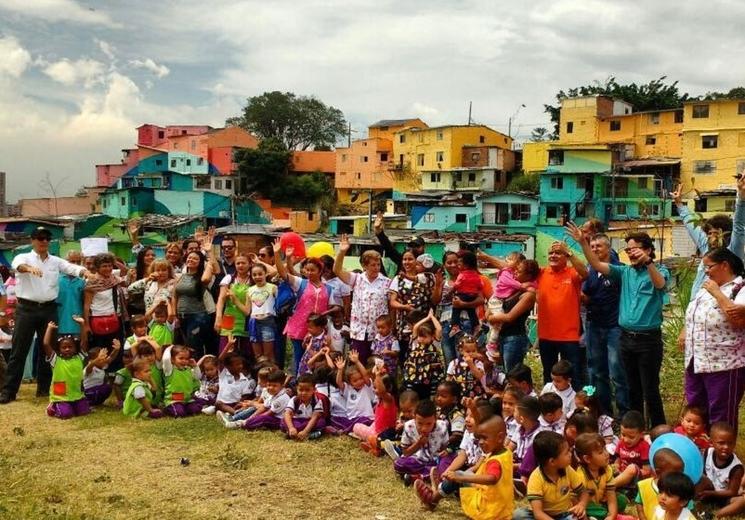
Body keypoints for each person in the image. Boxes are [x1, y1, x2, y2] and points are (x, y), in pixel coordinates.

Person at [568, 223, 670, 427]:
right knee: (633, 387)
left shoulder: (660, 270)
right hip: (626, 337)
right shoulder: (624, 272)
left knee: (649, 388)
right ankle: (635, 426)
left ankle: (659, 429)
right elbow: (596, 265)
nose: (631, 253)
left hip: (648, 340)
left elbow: (660, 284)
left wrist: (649, 263)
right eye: (628, 249)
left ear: (648, 249)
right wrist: (582, 243)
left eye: (635, 249)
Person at [1, 227, 90, 404]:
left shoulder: (55, 261)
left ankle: (44, 388)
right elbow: (17, 265)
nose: (44, 241)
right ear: (33, 240)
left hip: (49, 309)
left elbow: (71, 267)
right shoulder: (24, 257)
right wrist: (28, 269)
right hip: (27, 309)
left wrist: (85, 272)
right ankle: (9, 392)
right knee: (19, 350)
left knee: (48, 349)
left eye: (47, 239)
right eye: (40, 238)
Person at [680, 247, 745, 434]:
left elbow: (739, 320)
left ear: (724, 265)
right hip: (696, 361)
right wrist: (685, 330)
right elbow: (695, 315)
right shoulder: (706, 286)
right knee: (696, 412)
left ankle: (721, 459)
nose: (706, 271)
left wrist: (717, 292)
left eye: (709, 266)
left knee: (721, 413)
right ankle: (698, 452)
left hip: (724, 365)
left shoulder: (740, 288)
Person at [671, 178, 745, 297]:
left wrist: (741, 197)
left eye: (715, 233)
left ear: (725, 234)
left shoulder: (733, 252)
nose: (711, 237)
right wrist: (679, 204)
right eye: (709, 233)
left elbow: (739, 226)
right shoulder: (707, 249)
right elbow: (691, 226)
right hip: (696, 307)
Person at [582, 232, 629, 418]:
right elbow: (587, 297)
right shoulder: (590, 272)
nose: (594, 250)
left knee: (617, 371)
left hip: (614, 327)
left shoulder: (620, 270)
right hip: (594, 326)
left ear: (608, 248)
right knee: (596, 371)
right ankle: (603, 414)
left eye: (598, 246)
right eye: (591, 247)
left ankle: (624, 414)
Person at [274, 239, 338, 374]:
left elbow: (333, 307)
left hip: (319, 329)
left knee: (316, 358)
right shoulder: (300, 283)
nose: (309, 273)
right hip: (299, 327)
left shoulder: (329, 289)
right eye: (307, 270)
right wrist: (277, 255)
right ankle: (298, 383)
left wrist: (327, 315)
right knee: (299, 357)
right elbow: (283, 273)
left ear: (320, 271)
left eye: (312, 270)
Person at [534, 240, 588, 389]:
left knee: (573, 376)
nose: (553, 255)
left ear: (565, 256)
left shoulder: (572, 273)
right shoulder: (542, 273)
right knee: (549, 376)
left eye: (558, 253)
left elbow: (585, 273)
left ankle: (576, 408)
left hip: (569, 336)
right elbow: (518, 270)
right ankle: (550, 407)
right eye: (551, 253)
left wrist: (569, 253)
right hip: (546, 335)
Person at [334, 234, 391, 365]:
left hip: (378, 332)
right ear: (364, 266)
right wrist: (342, 251)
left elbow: (390, 305)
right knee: (357, 364)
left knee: (376, 365)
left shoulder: (387, 282)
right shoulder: (357, 279)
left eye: (378, 264)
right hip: (359, 331)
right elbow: (337, 270)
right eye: (372, 265)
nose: (376, 267)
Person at [513, 431, 589, 520]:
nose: (570, 454)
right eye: (566, 452)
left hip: (564, 514)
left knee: (578, 517)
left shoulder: (568, 470)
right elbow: (538, 513)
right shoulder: (536, 478)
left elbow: (584, 493)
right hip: (543, 516)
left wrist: (581, 505)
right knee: (519, 515)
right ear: (552, 461)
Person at [487, 259, 541, 372]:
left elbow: (510, 317)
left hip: (514, 338)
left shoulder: (529, 294)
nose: (515, 273)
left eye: (519, 271)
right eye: (515, 270)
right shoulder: (514, 288)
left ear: (528, 275)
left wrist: (491, 318)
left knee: (512, 374)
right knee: (502, 372)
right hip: (502, 337)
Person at [388, 250, 442, 360]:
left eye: (410, 259)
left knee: (424, 354)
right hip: (404, 323)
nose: (407, 262)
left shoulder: (428, 277)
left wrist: (437, 286)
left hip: (424, 322)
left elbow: (435, 300)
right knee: (404, 354)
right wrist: (405, 307)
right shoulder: (398, 279)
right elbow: (392, 302)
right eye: (404, 259)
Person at [392, 399, 450, 486]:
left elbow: (444, 448)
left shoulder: (442, 426)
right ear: (414, 417)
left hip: (434, 461)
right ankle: (428, 475)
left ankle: (417, 476)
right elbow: (406, 452)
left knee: (445, 465)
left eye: (428, 424)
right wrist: (418, 444)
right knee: (399, 464)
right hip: (416, 460)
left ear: (435, 418)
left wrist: (444, 453)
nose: (424, 428)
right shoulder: (409, 426)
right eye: (420, 423)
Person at [41, 321, 90, 419]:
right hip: (61, 397)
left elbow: (84, 342)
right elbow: (46, 344)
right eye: (64, 347)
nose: (67, 349)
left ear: (75, 349)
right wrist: (49, 328)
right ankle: (53, 407)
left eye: (70, 347)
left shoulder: (79, 358)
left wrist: (82, 325)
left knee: (84, 412)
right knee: (66, 414)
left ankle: (73, 406)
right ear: (59, 349)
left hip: (77, 395)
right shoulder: (55, 360)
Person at [172, 251, 214, 357]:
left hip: (197, 316)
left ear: (200, 262)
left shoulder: (201, 277)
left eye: (195, 259)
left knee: (194, 346)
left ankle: (197, 370)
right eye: (189, 257)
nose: (191, 260)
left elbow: (206, 279)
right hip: (182, 316)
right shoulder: (180, 276)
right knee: (184, 345)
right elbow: (174, 295)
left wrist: (209, 262)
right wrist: (174, 314)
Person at [575, 432, 626, 519]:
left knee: (621, 500)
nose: (606, 454)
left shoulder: (607, 469)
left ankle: (605, 514)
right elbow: (577, 502)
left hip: (602, 502)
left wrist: (612, 515)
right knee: (592, 510)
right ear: (587, 459)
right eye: (601, 452)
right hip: (588, 506)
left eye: (605, 449)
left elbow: (611, 495)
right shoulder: (580, 476)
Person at [373, 211, 441, 274]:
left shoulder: (433, 266)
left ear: (424, 247)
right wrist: (379, 233)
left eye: (417, 246)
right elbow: (389, 248)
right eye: (411, 246)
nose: (414, 249)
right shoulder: (403, 260)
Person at [698, 422, 744, 514]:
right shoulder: (707, 452)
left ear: (734, 443)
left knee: (743, 501)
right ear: (711, 442)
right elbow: (701, 472)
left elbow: (732, 492)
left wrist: (711, 493)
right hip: (706, 489)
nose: (726, 447)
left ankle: (717, 514)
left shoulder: (736, 467)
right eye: (721, 443)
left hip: (723, 497)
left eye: (730, 443)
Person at [402, 310, 444, 400]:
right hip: (414, 377)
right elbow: (416, 327)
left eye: (424, 336)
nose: (421, 339)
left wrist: (432, 317)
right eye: (420, 336)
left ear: (432, 336)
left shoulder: (435, 343)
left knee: (430, 396)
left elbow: (439, 329)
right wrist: (426, 318)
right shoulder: (415, 343)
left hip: (430, 377)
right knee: (413, 396)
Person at [214, 254, 251, 355]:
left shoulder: (253, 280)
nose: (240, 265)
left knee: (245, 352)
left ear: (250, 264)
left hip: (246, 320)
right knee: (225, 350)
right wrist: (218, 317)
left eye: (243, 263)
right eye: (238, 263)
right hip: (228, 318)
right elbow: (221, 299)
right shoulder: (229, 278)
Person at [331, 350, 376, 433]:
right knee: (334, 419)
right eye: (355, 381)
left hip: (367, 418)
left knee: (362, 421)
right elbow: (339, 382)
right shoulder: (348, 389)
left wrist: (357, 361)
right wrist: (340, 370)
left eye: (360, 378)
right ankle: (353, 429)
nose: (359, 381)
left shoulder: (367, 387)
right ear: (349, 383)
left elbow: (365, 375)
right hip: (352, 419)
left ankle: (349, 430)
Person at [355, 368, 397, 456]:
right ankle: (373, 444)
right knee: (357, 426)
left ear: (388, 388)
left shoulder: (388, 399)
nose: (374, 390)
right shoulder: (381, 399)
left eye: (376, 388)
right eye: (374, 387)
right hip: (377, 427)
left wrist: (377, 375)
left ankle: (374, 446)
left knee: (369, 435)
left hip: (385, 433)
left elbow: (382, 391)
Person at [611, 410, 651, 490]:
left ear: (641, 435)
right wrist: (616, 468)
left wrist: (630, 472)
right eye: (623, 435)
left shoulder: (644, 446)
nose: (626, 440)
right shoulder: (621, 443)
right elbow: (617, 461)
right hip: (621, 474)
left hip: (636, 478)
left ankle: (609, 486)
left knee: (632, 468)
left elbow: (647, 471)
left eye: (631, 437)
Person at [161, 345, 201, 417]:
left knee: (196, 410)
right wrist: (171, 347)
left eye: (186, 359)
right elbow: (166, 359)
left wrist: (195, 366)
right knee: (179, 413)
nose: (184, 361)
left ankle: (183, 407)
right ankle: (167, 408)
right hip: (174, 399)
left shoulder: (189, 370)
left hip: (187, 399)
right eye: (181, 358)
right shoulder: (170, 370)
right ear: (172, 359)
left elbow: (198, 377)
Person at [449, 251, 483, 336]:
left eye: (459, 263)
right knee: (471, 311)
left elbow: (457, 285)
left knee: (456, 308)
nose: (457, 265)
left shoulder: (462, 274)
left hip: (463, 295)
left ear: (466, 266)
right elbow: (480, 285)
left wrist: (451, 291)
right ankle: (476, 326)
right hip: (473, 295)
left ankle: (455, 326)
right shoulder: (476, 275)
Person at [56, 250, 86, 339]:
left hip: (78, 324)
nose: (75, 264)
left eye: (78, 261)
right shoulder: (56, 280)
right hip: (59, 324)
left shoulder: (83, 281)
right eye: (72, 261)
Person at [446, 334, 486, 399]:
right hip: (459, 394)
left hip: (476, 395)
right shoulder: (454, 363)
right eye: (468, 351)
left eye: (473, 351)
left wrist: (471, 364)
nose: (471, 353)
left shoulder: (478, 363)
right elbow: (448, 378)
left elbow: (479, 376)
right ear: (461, 351)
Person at [83, 340, 121, 406]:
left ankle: (97, 403)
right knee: (104, 388)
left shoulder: (102, 366)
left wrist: (116, 349)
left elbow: (111, 357)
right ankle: (88, 403)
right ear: (91, 360)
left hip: (98, 390)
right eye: (101, 359)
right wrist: (98, 359)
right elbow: (91, 365)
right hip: (88, 392)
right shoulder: (90, 368)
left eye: (104, 358)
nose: (104, 360)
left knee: (107, 387)